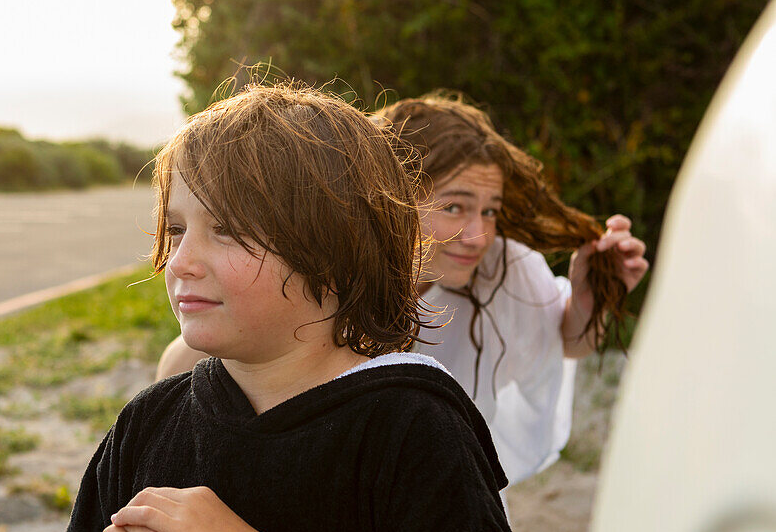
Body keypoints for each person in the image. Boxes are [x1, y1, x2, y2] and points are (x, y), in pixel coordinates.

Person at [61, 84, 543, 532]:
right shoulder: (150, 421)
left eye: (229, 231)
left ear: (335, 250)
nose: (182, 262)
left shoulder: (411, 427)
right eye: (175, 230)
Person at [156, 92, 649, 490]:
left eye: (491, 211)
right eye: (455, 207)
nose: (478, 234)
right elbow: (194, 371)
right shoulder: (324, 278)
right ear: (392, 199)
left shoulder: (505, 270)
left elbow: (558, 341)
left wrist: (589, 301)